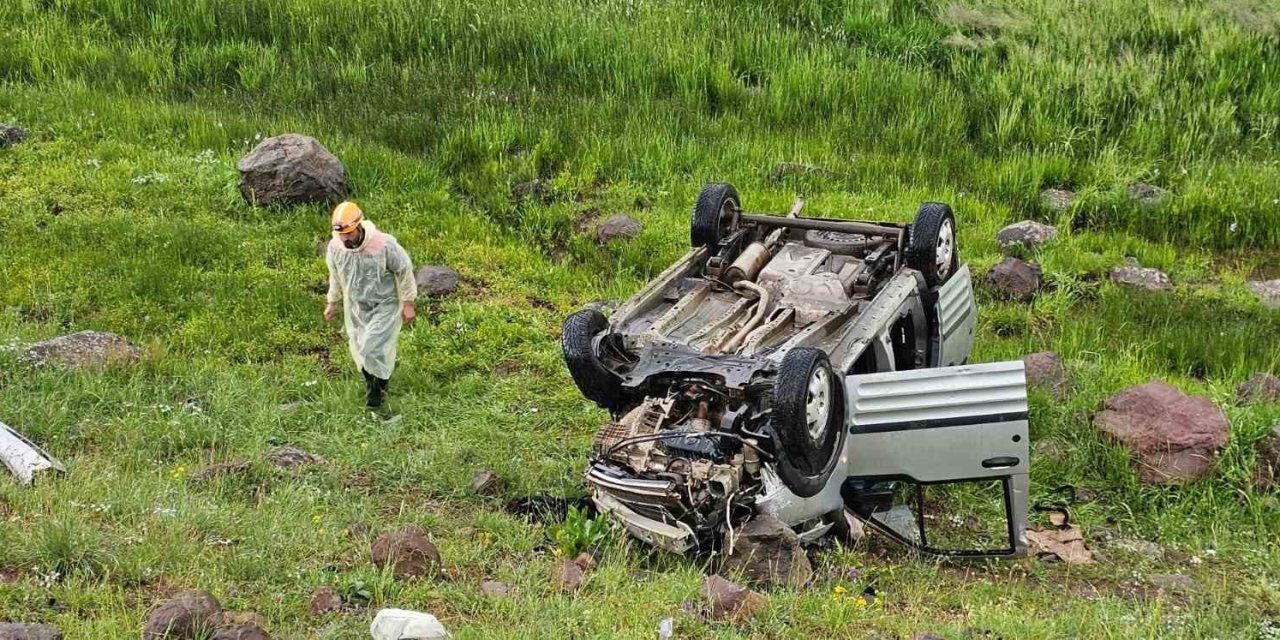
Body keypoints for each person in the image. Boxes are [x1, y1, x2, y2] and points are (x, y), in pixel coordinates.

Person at [323, 201, 417, 407]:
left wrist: (408, 303)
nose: (345, 238)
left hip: (385, 304)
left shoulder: (383, 245)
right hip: (355, 306)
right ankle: (375, 385)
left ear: (359, 226)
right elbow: (335, 276)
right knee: (360, 350)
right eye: (342, 234)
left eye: (349, 233)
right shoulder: (336, 248)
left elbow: (404, 270)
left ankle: (376, 394)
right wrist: (332, 301)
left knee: (370, 348)